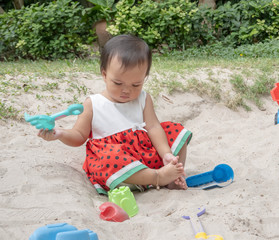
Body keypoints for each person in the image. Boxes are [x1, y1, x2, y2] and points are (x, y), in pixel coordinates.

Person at [38, 34, 192, 195]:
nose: (126, 90)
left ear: (144, 78)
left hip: (145, 157)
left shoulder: (143, 98)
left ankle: (172, 176)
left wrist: (166, 154)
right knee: (108, 158)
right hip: (119, 167)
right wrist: (60, 134)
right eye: (118, 83)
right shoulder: (93, 103)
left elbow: (153, 128)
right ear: (104, 75)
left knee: (174, 130)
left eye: (136, 84)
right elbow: (79, 135)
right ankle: (157, 177)